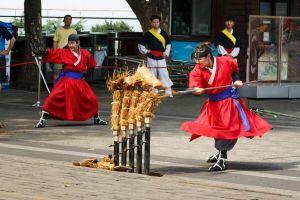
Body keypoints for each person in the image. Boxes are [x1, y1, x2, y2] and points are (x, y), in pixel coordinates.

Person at [180, 42, 272, 172]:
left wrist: (236, 80)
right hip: (213, 104)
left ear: (208, 57)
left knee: (227, 128)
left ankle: (222, 159)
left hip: (228, 101)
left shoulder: (225, 61)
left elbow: (234, 69)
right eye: (195, 59)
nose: (197, 61)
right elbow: (195, 85)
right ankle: (220, 153)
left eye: (199, 58)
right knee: (216, 129)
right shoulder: (196, 70)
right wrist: (197, 89)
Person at [34, 34, 107, 128]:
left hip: (79, 82)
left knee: (91, 99)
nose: (70, 45)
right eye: (69, 43)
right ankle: (42, 120)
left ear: (78, 43)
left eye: (72, 43)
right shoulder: (64, 52)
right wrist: (43, 52)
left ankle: (97, 118)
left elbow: (91, 65)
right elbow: (52, 53)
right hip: (66, 81)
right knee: (53, 98)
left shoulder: (85, 53)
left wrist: (87, 74)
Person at [138, 14, 173, 97]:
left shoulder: (164, 33)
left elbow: (168, 44)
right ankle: (154, 91)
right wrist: (146, 51)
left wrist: (166, 53)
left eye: (157, 22)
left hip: (161, 57)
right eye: (154, 22)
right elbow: (141, 44)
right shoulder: (148, 34)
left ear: (159, 23)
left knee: (163, 73)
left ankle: (168, 91)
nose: (155, 24)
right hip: (151, 57)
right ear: (151, 23)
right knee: (152, 74)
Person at [52, 15, 77, 82]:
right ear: (63, 20)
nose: (68, 21)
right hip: (59, 54)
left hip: (70, 55)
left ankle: (66, 89)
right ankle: (55, 89)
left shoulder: (74, 31)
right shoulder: (58, 29)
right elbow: (55, 42)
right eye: (66, 19)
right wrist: (55, 53)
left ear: (71, 21)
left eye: (70, 19)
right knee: (57, 71)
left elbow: (75, 44)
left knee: (69, 73)